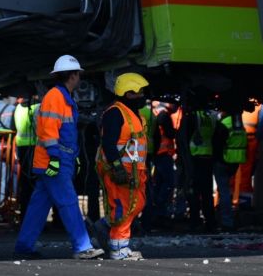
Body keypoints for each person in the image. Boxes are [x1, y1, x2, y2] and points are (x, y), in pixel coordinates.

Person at [14, 55, 103, 260]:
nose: (80, 78)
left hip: (56, 160)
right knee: (69, 202)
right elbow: (48, 132)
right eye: (78, 74)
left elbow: (64, 134)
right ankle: (82, 246)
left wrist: (75, 157)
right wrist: (55, 158)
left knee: (38, 207)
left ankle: (24, 246)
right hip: (54, 162)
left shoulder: (61, 97)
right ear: (72, 76)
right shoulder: (57, 97)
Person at [93, 72, 150, 260]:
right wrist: (117, 167)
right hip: (119, 171)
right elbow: (109, 144)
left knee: (137, 204)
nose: (142, 95)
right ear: (128, 93)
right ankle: (119, 250)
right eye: (139, 92)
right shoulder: (115, 113)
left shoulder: (135, 115)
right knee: (122, 209)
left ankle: (105, 225)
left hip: (135, 172)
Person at [211, 94, 248, 231]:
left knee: (224, 192)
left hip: (223, 160)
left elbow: (217, 144)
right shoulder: (238, 123)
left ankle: (226, 221)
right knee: (227, 191)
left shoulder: (223, 124)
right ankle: (226, 218)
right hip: (235, 161)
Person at [187, 106, 217, 233]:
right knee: (207, 194)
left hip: (194, 158)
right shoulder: (212, 116)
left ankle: (195, 222)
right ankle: (210, 223)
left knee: (194, 192)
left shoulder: (194, 114)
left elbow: (185, 135)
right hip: (208, 157)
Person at [151, 99, 177, 225]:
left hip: (158, 153)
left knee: (159, 183)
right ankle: (160, 209)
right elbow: (170, 134)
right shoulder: (164, 115)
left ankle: (157, 212)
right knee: (168, 183)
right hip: (164, 153)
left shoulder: (156, 113)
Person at [12, 95, 38, 221]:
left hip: (22, 148)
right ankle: (31, 217)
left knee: (25, 184)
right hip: (34, 148)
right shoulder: (36, 107)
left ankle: (24, 215)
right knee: (34, 185)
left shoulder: (17, 108)